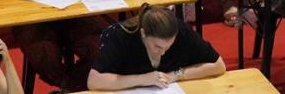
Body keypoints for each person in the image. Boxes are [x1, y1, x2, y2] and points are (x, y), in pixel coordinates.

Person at [88, 6, 225, 90]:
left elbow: (218, 65)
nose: (163, 51)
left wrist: (176, 75)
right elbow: (94, 81)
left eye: (169, 45)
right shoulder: (120, 37)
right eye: (157, 46)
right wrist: (142, 79)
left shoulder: (181, 31)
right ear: (143, 33)